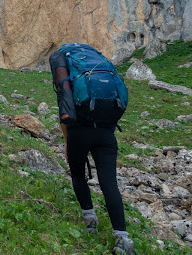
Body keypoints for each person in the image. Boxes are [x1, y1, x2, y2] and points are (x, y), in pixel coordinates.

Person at [49, 49, 134, 255]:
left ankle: (90, 220)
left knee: (78, 175)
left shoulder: (67, 73)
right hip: (106, 133)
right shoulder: (97, 67)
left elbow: (65, 114)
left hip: (79, 132)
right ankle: (122, 238)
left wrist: (68, 143)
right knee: (109, 182)